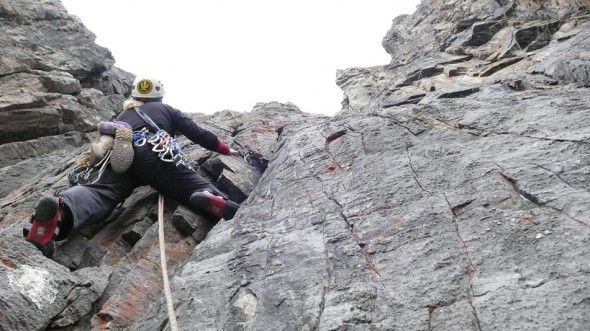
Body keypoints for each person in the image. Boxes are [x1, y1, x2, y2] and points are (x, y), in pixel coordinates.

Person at [24, 77, 241, 257]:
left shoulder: (122, 115)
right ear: (160, 96)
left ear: (135, 96)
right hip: (154, 153)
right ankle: (210, 198)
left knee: (100, 192)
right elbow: (196, 132)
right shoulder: (166, 109)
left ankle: (61, 208)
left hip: (121, 157)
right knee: (187, 182)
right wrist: (223, 148)